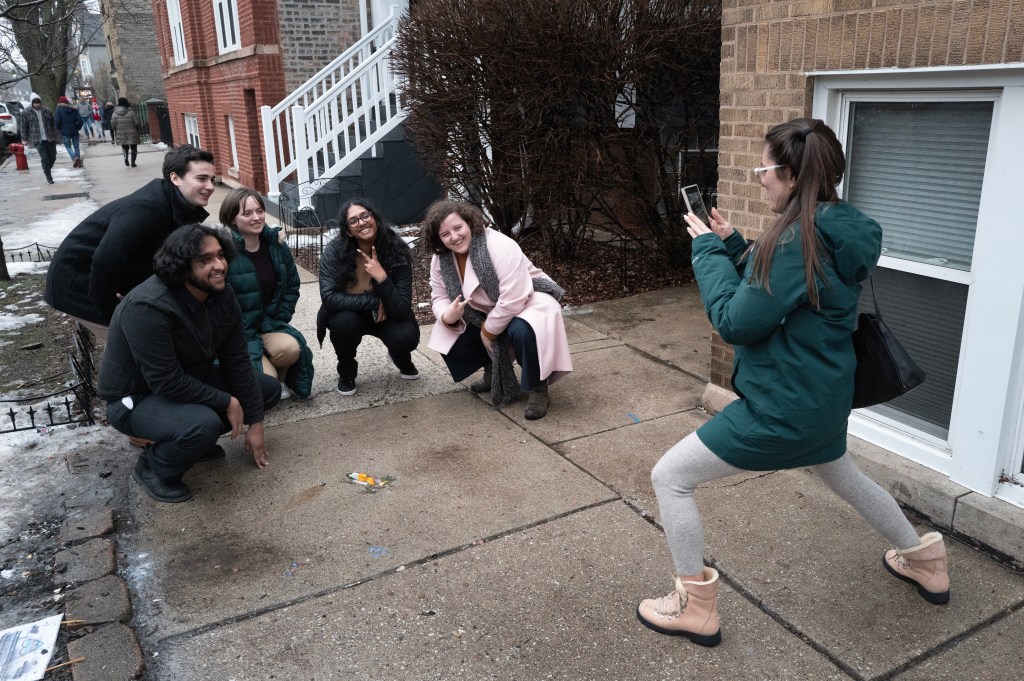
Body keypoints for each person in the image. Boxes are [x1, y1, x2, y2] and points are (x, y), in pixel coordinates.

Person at [636, 118, 949, 647]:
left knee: (670, 477)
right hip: (824, 401)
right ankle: (926, 561)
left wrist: (707, 252)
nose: (759, 179)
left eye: (764, 169)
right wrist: (736, 244)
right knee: (845, 477)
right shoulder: (835, 228)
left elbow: (737, 321)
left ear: (790, 174)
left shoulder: (796, 241)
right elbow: (791, 287)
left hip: (782, 409)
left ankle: (694, 606)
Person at [99, 224, 281, 503]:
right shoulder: (148, 306)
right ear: (183, 267)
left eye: (220, 255)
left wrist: (256, 422)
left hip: (188, 380)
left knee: (266, 389)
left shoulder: (221, 294)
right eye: (205, 260)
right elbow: (165, 381)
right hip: (134, 398)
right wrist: (227, 402)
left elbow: (237, 362)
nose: (219, 265)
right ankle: (154, 467)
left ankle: (194, 444)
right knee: (203, 424)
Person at [44, 144, 215, 341]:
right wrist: (118, 316)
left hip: (106, 280)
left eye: (212, 179)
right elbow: (104, 263)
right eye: (201, 179)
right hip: (77, 283)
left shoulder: (178, 206)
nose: (210, 186)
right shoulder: (146, 209)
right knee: (133, 348)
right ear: (175, 178)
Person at [423, 200, 572, 420]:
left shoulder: (500, 245)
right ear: (438, 238)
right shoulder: (440, 258)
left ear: (470, 223)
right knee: (450, 331)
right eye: (445, 234)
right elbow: (439, 296)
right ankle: (492, 370)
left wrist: (487, 331)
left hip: (528, 300)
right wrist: (447, 315)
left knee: (523, 330)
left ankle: (538, 389)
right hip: (487, 307)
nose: (453, 237)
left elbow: (514, 297)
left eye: (457, 228)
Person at [316, 199, 419, 395]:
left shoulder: (395, 249)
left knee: (406, 336)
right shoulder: (334, 252)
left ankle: (400, 357)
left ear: (374, 218)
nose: (361, 222)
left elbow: (401, 308)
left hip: (386, 314)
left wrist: (382, 277)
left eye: (365, 216)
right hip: (350, 312)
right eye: (353, 221)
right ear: (347, 230)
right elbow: (329, 298)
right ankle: (346, 372)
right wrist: (375, 301)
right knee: (344, 324)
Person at [222, 187, 314, 400]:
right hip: (238, 332)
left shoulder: (276, 245)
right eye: (247, 213)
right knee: (266, 387)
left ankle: (276, 374)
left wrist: (280, 316)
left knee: (291, 348)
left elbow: (292, 285)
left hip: (268, 323)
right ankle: (265, 374)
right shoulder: (223, 251)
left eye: (259, 211)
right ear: (232, 219)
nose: (256, 217)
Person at [19, 97, 59, 184]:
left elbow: (54, 123)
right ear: (32, 103)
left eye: (38, 103)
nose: (37, 105)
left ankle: (46, 169)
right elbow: (23, 126)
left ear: (41, 102)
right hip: (37, 139)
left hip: (50, 138)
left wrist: (57, 136)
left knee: (53, 156)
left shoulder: (47, 110)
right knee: (44, 158)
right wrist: (24, 139)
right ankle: (49, 177)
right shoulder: (26, 112)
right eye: (35, 103)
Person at [110, 97, 141, 167]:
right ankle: (133, 162)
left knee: (124, 147)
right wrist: (137, 128)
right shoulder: (131, 112)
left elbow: (113, 123)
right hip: (132, 132)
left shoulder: (115, 113)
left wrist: (115, 129)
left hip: (121, 132)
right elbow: (137, 122)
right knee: (133, 147)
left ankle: (125, 158)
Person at [53, 95, 83, 167]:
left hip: (64, 131)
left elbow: (57, 121)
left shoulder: (59, 109)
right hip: (74, 130)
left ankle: (74, 158)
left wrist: (59, 128)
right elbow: (80, 120)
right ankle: (78, 161)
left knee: (68, 146)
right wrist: (78, 127)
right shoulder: (74, 109)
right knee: (76, 146)